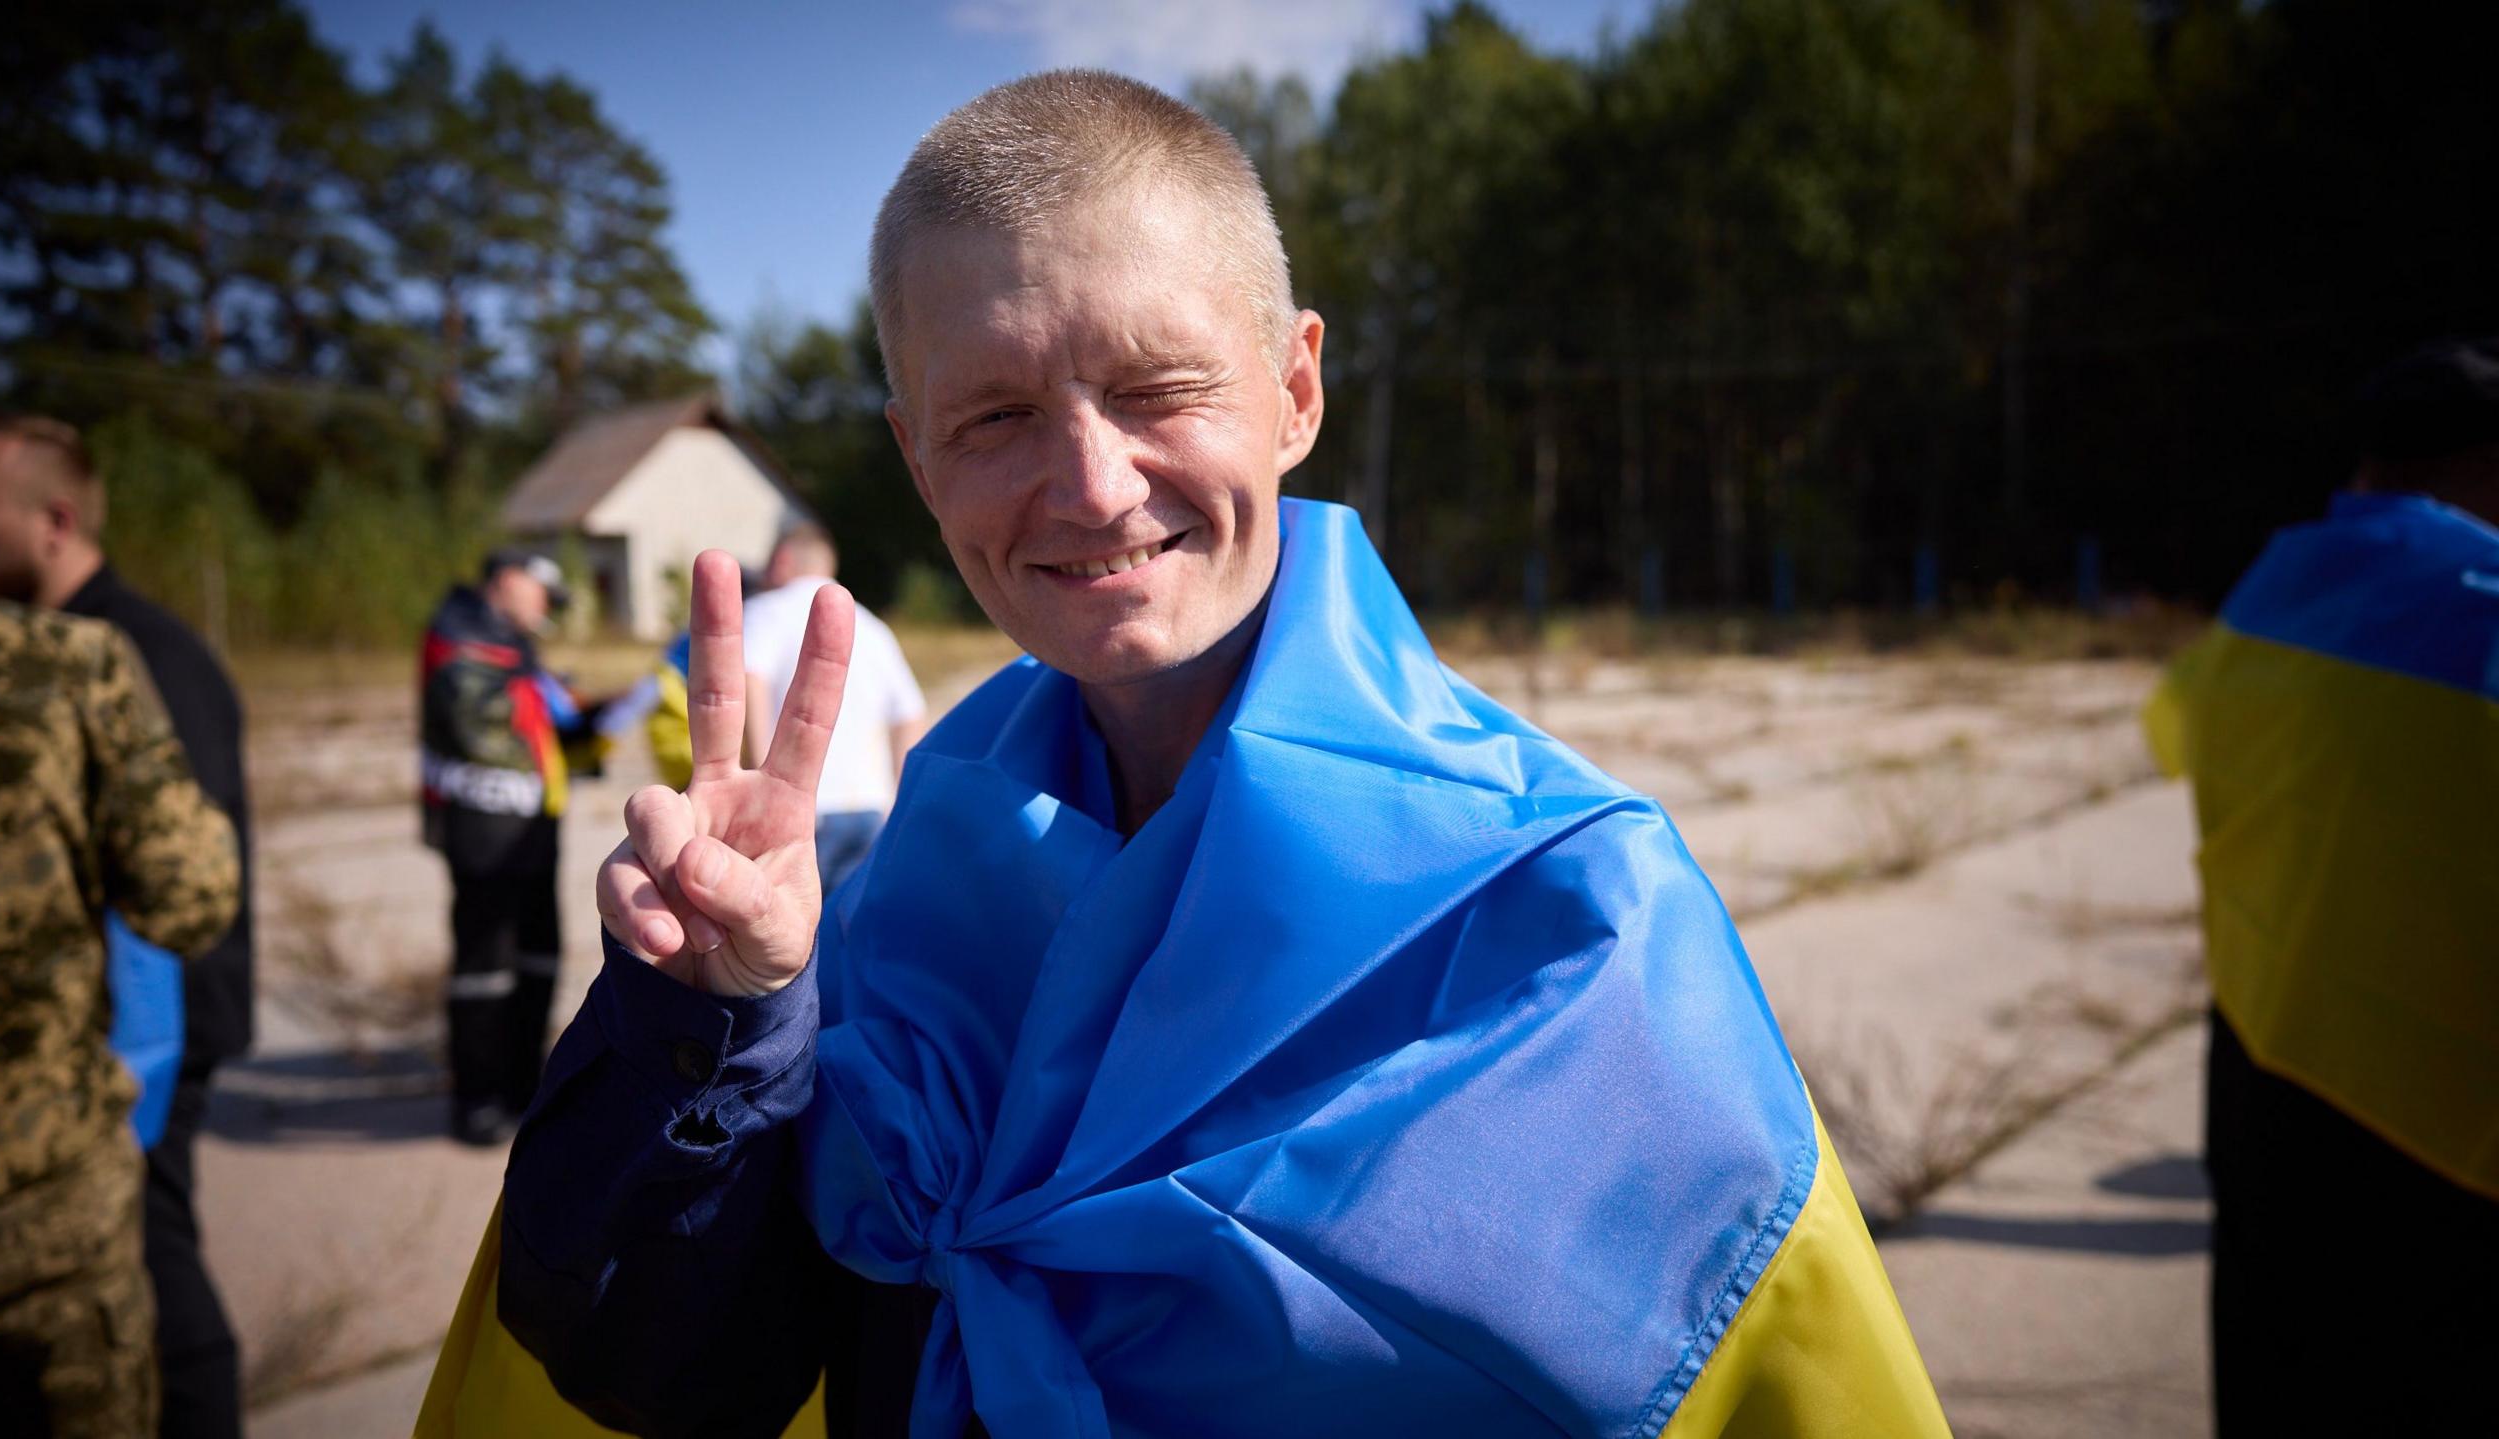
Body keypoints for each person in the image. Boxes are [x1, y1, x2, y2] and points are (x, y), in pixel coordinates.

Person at [428, 71, 1944, 1438]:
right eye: (1000, 412)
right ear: (915, 455)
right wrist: (715, 1019)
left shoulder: (1572, 920)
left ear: (1295, 388)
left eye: (1158, 389)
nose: (1090, 485)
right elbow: (670, 1376)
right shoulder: (891, 903)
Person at [2144, 339, 2499, 1436]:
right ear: (2481, 467)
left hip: (2262, 1068)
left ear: (2367, 467)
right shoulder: (2483, 604)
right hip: (2443, 1120)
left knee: (2276, 1370)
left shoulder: (2274, 588)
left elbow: (2172, 730)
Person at [0, 413, 256, 1439]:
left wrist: (152, 1061)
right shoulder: (62, 653)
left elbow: (190, 895)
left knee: (169, 1299)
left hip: (143, 1050)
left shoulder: (133, 653)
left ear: (54, 518)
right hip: (95, 1062)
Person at [418, 549, 605, 1147]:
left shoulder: (512, 644)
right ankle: (477, 1100)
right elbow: (482, 723)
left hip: (533, 826)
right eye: (540, 592)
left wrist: (589, 719)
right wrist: (549, 703)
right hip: (483, 833)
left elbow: (539, 727)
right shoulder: (460, 634)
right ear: (505, 580)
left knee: (536, 959)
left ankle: (525, 1086)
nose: (546, 608)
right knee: (484, 968)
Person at [738, 520, 927, 894]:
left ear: (784, 560)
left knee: (787, 937)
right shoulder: (872, 627)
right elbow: (909, 714)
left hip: (798, 807)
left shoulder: (764, 612)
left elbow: (749, 686)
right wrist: (897, 801)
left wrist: (758, 779)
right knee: (843, 935)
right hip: (868, 808)